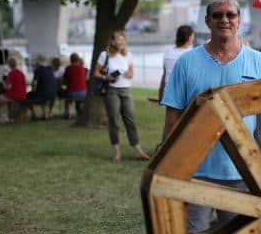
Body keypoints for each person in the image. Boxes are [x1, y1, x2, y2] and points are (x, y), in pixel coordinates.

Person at [162, 0, 261, 234]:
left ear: (239, 20)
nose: (224, 19)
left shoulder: (258, 62)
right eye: (218, 15)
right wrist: (169, 165)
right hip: (194, 169)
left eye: (230, 15)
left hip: (241, 170)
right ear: (207, 21)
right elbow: (173, 117)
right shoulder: (186, 63)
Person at [93, 30, 150, 163]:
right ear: (112, 41)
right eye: (118, 40)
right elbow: (95, 73)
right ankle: (117, 153)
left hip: (126, 90)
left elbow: (131, 73)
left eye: (123, 40)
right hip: (111, 91)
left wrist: (128, 74)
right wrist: (105, 77)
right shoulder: (105, 55)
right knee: (114, 121)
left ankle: (139, 151)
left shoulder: (128, 55)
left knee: (130, 120)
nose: (121, 42)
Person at [158, 24, 194, 102]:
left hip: (168, 94)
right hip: (185, 96)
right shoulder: (192, 53)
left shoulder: (168, 52)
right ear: (190, 37)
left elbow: (165, 75)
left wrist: (160, 94)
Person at [0, 57, 27, 123]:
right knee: (0, 101)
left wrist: (1, 84)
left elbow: (8, 87)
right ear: (15, 64)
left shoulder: (11, 73)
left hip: (14, 96)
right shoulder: (21, 73)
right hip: (23, 95)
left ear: (9, 65)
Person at [26, 54, 57, 120]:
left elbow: (34, 83)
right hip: (53, 95)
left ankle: (35, 115)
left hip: (43, 95)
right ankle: (45, 115)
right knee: (42, 94)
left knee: (27, 96)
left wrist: (33, 90)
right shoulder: (50, 69)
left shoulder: (38, 70)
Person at [62, 52, 87, 118]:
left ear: (70, 60)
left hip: (71, 92)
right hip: (83, 92)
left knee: (68, 101)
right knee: (81, 101)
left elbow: (64, 80)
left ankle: (69, 113)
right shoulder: (83, 68)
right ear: (78, 59)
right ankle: (81, 114)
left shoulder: (68, 69)